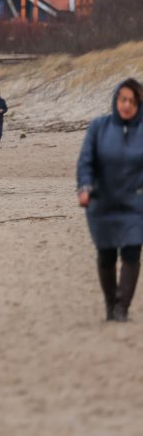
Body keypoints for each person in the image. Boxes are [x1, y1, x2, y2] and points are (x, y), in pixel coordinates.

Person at [77, 79, 143, 322]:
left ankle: (122, 308)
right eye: (122, 99)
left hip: (134, 204)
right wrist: (85, 187)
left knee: (132, 252)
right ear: (116, 100)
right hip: (102, 202)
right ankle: (110, 303)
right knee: (106, 255)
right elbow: (86, 162)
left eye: (132, 101)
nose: (127, 105)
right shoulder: (99, 127)